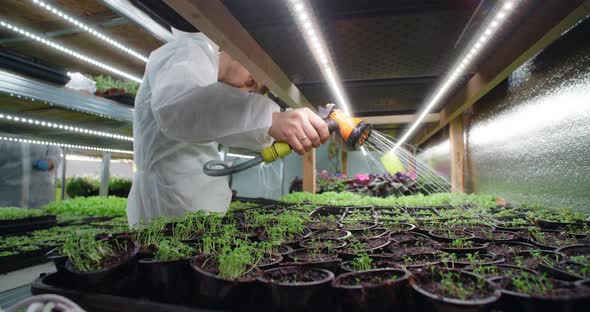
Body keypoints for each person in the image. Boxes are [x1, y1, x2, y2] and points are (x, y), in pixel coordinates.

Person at [127, 29, 329, 226]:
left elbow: (203, 114)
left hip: (182, 209)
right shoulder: (190, 49)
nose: (245, 91)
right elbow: (175, 108)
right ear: (244, 52)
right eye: (251, 81)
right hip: (169, 210)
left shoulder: (205, 78)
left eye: (253, 91)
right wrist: (270, 118)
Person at [0, 141, 62, 208]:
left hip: (39, 197)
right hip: (7, 198)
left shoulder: (43, 132)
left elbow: (55, 152)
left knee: (40, 215)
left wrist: (49, 163)